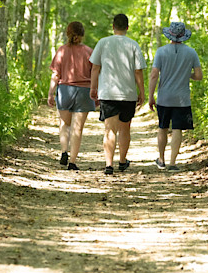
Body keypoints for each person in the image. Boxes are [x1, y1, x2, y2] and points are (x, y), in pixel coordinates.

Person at [89, 14, 147, 175]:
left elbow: (95, 67)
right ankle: (122, 161)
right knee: (125, 129)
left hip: (107, 92)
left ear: (113, 26)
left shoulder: (103, 43)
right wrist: (141, 92)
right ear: (127, 27)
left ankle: (109, 165)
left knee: (110, 129)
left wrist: (93, 87)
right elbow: (138, 71)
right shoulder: (133, 44)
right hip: (127, 93)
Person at [148, 21, 203, 172]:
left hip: (164, 97)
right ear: (184, 36)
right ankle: (173, 163)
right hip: (182, 98)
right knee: (177, 129)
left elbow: (154, 75)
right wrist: (187, 74)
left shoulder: (161, 51)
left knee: (162, 127)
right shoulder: (191, 52)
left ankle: (161, 159)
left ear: (169, 35)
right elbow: (199, 76)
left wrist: (150, 96)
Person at [48, 21, 96, 171]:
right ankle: (73, 162)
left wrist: (51, 93)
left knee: (64, 124)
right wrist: (96, 91)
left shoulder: (62, 50)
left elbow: (55, 75)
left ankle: (64, 151)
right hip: (84, 91)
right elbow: (95, 73)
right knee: (77, 128)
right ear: (82, 35)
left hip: (65, 90)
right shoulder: (89, 51)